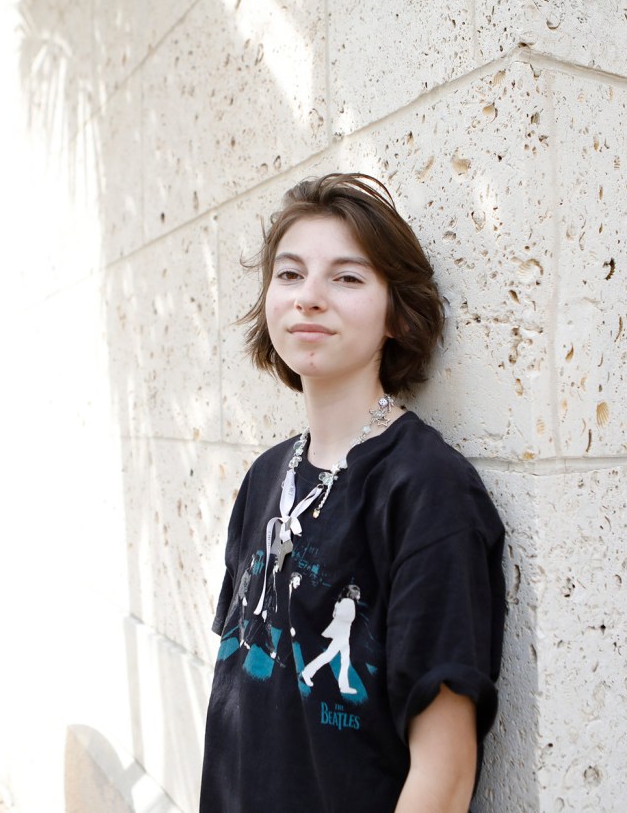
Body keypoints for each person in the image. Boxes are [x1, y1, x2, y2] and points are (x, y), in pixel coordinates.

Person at [201, 173, 506, 813]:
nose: (308, 298)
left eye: (346, 277)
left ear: (396, 313)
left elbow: (444, 777)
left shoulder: (427, 491)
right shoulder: (265, 476)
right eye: (289, 275)